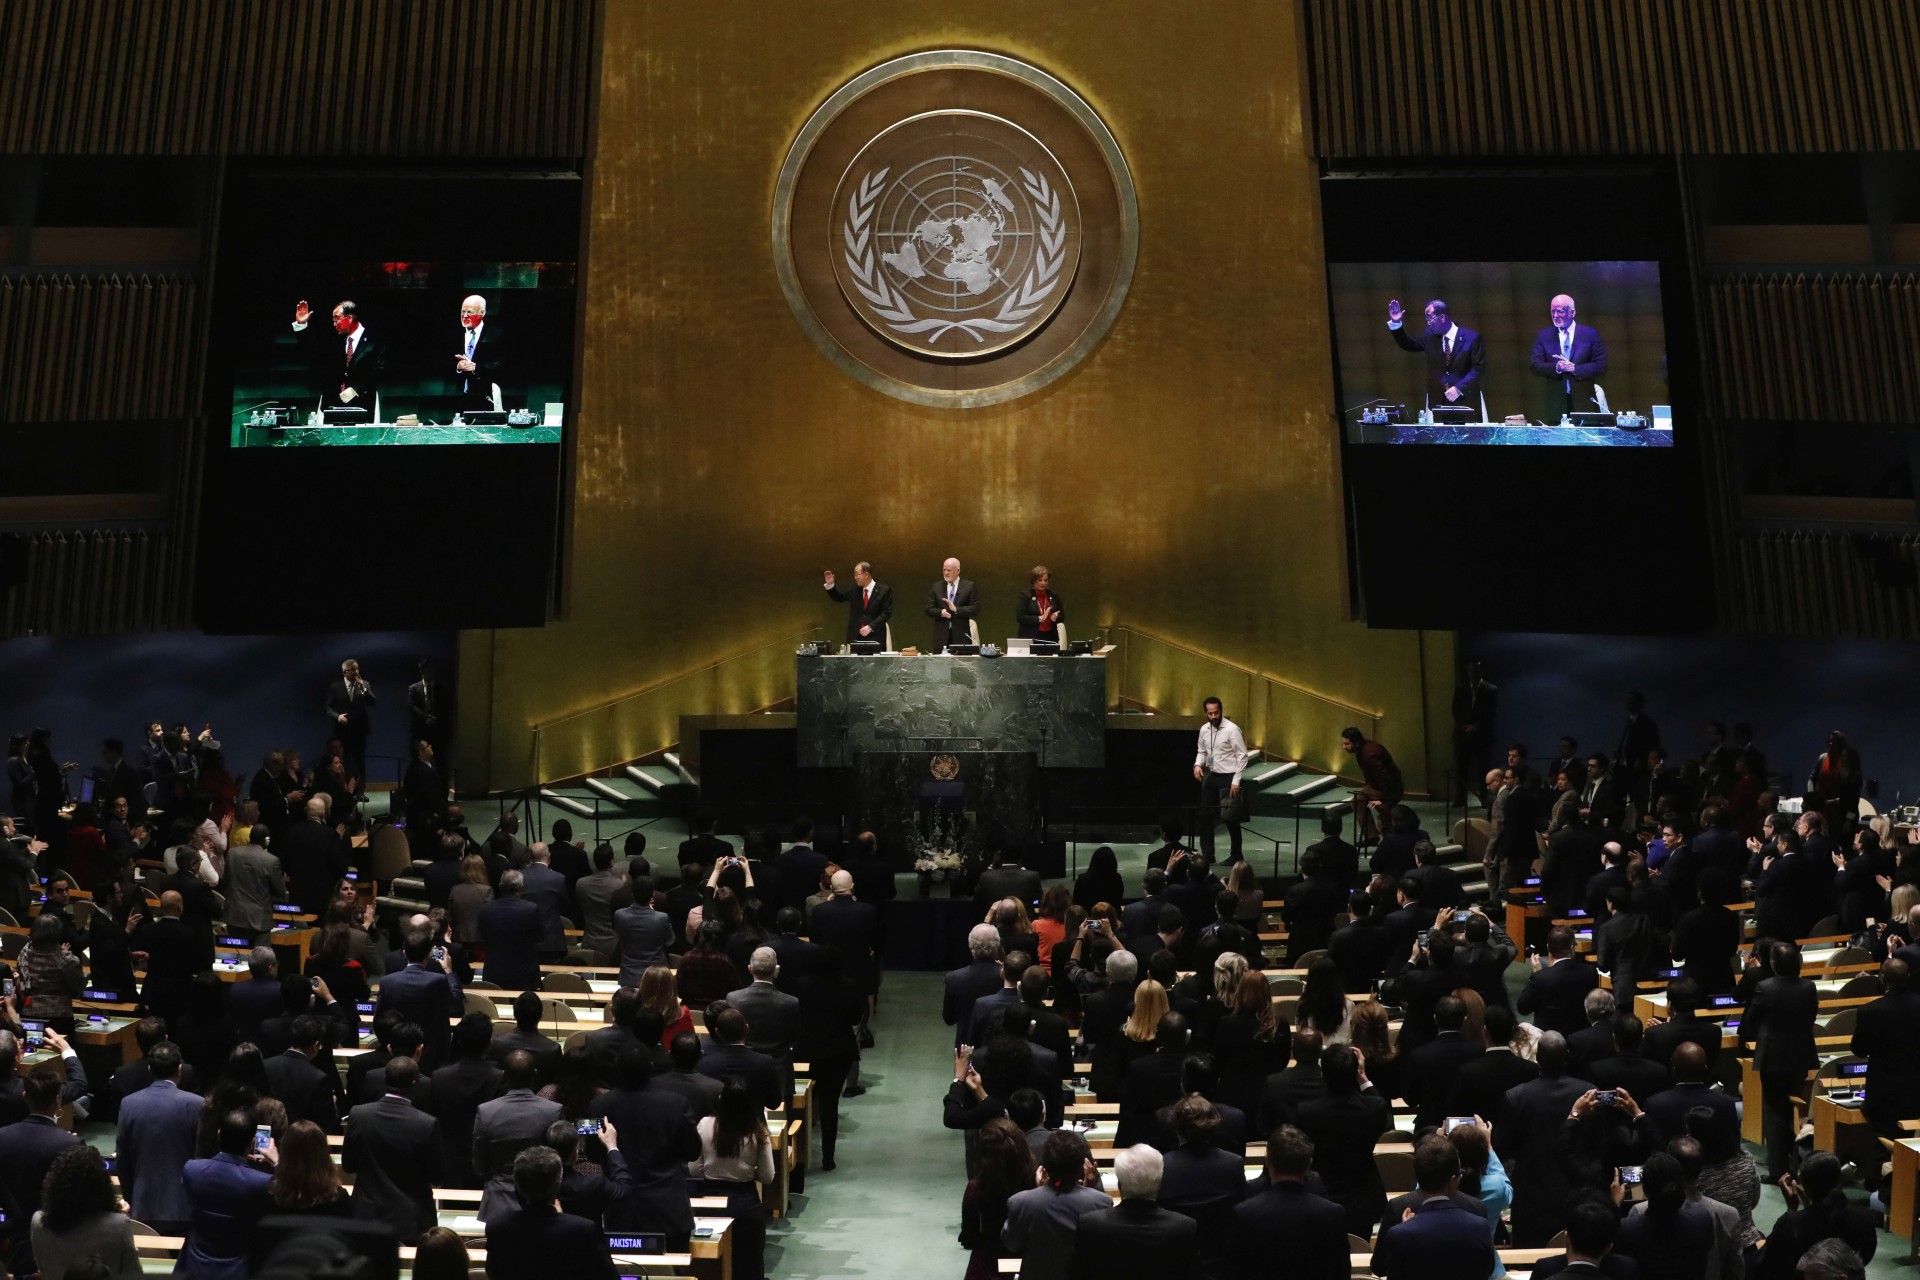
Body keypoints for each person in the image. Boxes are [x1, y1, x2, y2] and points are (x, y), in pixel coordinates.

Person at [1738, 941, 1817, 1182]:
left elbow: (1751, 1021)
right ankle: (1794, 1163)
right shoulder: (1808, 987)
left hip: (1773, 1057)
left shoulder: (1765, 987)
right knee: (1795, 1108)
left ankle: (1778, 1170)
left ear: (1773, 964)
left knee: (1775, 1113)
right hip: (1801, 1056)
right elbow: (1811, 1016)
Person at [1371, 1134, 1498, 1280]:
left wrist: (1406, 1234)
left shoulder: (1401, 1233)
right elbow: (1487, 1270)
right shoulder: (1480, 1225)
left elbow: (1382, 1269)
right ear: (1452, 1180)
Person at [343, 1055, 442, 1238]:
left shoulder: (358, 1114)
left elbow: (348, 1165)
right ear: (415, 1083)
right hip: (411, 1219)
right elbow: (437, 1175)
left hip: (366, 1216)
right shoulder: (427, 1124)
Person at [484, 1145, 617, 1280]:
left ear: (517, 1185)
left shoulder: (497, 1228)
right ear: (558, 1184)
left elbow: (494, 1272)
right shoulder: (584, 1230)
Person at [1070, 1143, 1198, 1279]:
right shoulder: (1184, 1227)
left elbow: (1076, 1274)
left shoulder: (1090, 1224)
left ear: (1119, 1185)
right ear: (1160, 1184)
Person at [689, 1078, 775, 1280]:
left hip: (709, 1204)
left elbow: (694, 1169)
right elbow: (767, 1176)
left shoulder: (704, 1124)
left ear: (721, 1100)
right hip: (746, 1205)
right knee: (749, 1266)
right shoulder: (758, 1132)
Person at [180, 1107, 276, 1280]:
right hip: (239, 1271)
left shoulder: (191, 1170)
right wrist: (276, 1162)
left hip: (195, 1268)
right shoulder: (261, 1182)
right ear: (253, 1141)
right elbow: (288, 1195)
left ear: (219, 1134)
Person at [1002, 1128, 1110, 1280]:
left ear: (1044, 1165)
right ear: (1081, 1166)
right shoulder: (1101, 1202)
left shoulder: (1020, 1202)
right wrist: (1093, 1187)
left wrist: (1037, 1192)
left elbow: (1011, 1244)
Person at [471, 1050, 566, 1223]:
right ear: (535, 1075)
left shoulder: (485, 1111)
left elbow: (479, 1165)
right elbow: (559, 1162)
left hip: (498, 1203)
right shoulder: (553, 1111)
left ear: (504, 1076)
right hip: (541, 1204)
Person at [117, 1040, 201, 1231]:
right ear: (180, 1069)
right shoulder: (197, 1104)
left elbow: (123, 1158)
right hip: (185, 1206)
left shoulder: (128, 1103)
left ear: (150, 1069)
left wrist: (131, 1198)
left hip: (143, 1204)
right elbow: (202, 1156)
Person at [1756, 1151, 1877, 1280]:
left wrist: (1791, 1209)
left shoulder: (1791, 1224)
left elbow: (1767, 1263)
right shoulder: (1864, 1219)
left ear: (1805, 1187)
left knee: (1756, 1242)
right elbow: (1863, 1258)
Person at [30, 1145, 142, 1280]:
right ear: (102, 1186)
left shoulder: (38, 1221)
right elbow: (133, 1274)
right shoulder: (119, 1224)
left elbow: (42, 1268)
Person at [1387, 297, 1486, 411]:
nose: (1428, 323)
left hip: (1467, 403)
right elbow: (1407, 344)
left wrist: (1459, 388)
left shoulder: (1471, 338)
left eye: (1430, 318)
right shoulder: (1430, 337)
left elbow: (1478, 369)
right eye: (1426, 319)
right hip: (1438, 403)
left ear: (1442, 317)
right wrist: (1396, 323)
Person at [290, 298, 385, 411]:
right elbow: (312, 350)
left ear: (350, 318)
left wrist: (356, 389)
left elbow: (379, 370)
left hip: (362, 404)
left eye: (337, 319)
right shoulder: (334, 339)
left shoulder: (373, 340)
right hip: (332, 404)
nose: (334, 324)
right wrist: (301, 325)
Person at [1528, 294, 1610, 421]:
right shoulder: (1544, 335)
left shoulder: (1589, 335)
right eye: (1552, 311)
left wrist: (1575, 369)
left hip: (1584, 403)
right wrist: (1557, 367)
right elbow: (1534, 365)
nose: (1555, 316)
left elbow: (1601, 365)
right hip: (1555, 404)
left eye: (1560, 311)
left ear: (1572, 312)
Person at [1193, 697, 1247, 863]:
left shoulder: (1232, 729)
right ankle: (1208, 854)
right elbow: (1202, 751)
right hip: (1213, 775)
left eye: (1216, 712)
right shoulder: (1204, 730)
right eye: (1210, 713)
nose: (1214, 716)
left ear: (1221, 711)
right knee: (1205, 815)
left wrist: (1236, 781)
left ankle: (1236, 855)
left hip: (1230, 777)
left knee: (1231, 818)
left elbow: (1242, 755)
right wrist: (1197, 765)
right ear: (1206, 713)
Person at [477, 869, 543, 991]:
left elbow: (481, 936)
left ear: (501, 886)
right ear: (521, 886)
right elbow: (539, 937)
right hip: (524, 973)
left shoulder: (485, 910)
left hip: (494, 971)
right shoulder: (531, 909)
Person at [1341, 726, 1404, 843]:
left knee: (1385, 814)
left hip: (1390, 788)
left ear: (1356, 743)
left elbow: (1386, 777)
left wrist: (1382, 799)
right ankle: (1371, 836)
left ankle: (1391, 840)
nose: (1343, 747)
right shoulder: (1363, 749)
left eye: (1347, 744)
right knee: (1358, 801)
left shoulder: (1370, 754)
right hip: (1376, 785)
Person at [323, 658, 375, 791]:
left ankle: (361, 791)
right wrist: (338, 716)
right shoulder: (335, 687)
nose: (356, 672)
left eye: (357, 669)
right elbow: (328, 708)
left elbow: (373, 702)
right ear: (344, 672)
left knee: (360, 761)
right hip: (342, 731)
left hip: (360, 730)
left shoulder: (364, 684)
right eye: (352, 670)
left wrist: (362, 688)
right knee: (343, 760)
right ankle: (345, 790)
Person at [823, 561, 893, 645]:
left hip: (876, 637)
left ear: (866, 574)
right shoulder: (854, 589)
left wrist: (871, 626)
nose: (855, 577)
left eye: (857, 574)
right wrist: (830, 585)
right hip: (855, 637)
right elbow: (839, 598)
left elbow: (886, 613)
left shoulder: (884, 591)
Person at [926, 555, 981, 650]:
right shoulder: (936, 587)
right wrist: (941, 613)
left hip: (961, 637)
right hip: (941, 637)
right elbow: (928, 609)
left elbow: (975, 608)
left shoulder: (969, 586)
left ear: (958, 571)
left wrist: (956, 609)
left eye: (949, 570)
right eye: (944, 570)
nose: (946, 573)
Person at [1016, 564, 1064, 641]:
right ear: (1034, 581)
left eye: (1046, 580)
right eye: (1040, 580)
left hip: (1050, 636)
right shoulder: (1026, 596)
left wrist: (1056, 617)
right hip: (1031, 636)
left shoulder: (1053, 595)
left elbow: (1062, 616)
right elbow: (1020, 617)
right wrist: (1038, 618)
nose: (1043, 583)